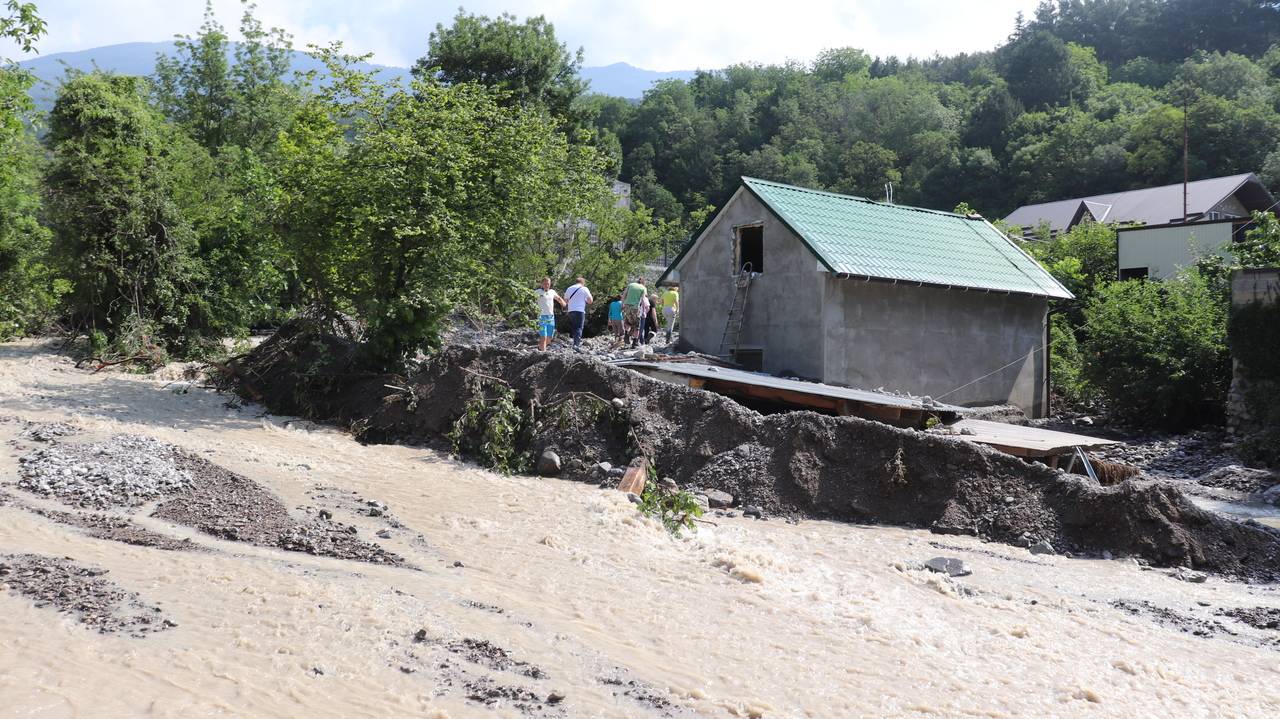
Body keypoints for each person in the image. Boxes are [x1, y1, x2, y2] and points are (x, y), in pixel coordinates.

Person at [534, 276, 565, 351]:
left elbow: (558, 298)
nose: (546, 285)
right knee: (543, 336)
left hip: (550, 317)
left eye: (548, 283)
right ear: (541, 284)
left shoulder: (552, 292)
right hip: (541, 317)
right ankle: (543, 353)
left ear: (550, 284)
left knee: (549, 337)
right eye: (545, 283)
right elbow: (530, 299)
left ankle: (540, 347)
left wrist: (563, 303)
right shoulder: (537, 292)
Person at [563, 276, 593, 349]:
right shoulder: (584, 289)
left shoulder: (569, 288)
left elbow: (565, 301)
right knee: (579, 327)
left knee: (574, 327)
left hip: (571, 310)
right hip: (579, 310)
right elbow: (590, 301)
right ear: (583, 283)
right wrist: (584, 300)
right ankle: (576, 345)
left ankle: (574, 342)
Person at [621, 276, 646, 348]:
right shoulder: (643, 288)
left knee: (627, 322)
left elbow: (624, 295)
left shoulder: (631, 285)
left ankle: (626, 334)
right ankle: (635, 342)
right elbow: (643, 300)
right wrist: (643, 311)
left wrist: (622, 305)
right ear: (643, 283)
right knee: (636, 326)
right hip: (635, 308)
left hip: (627, 306)